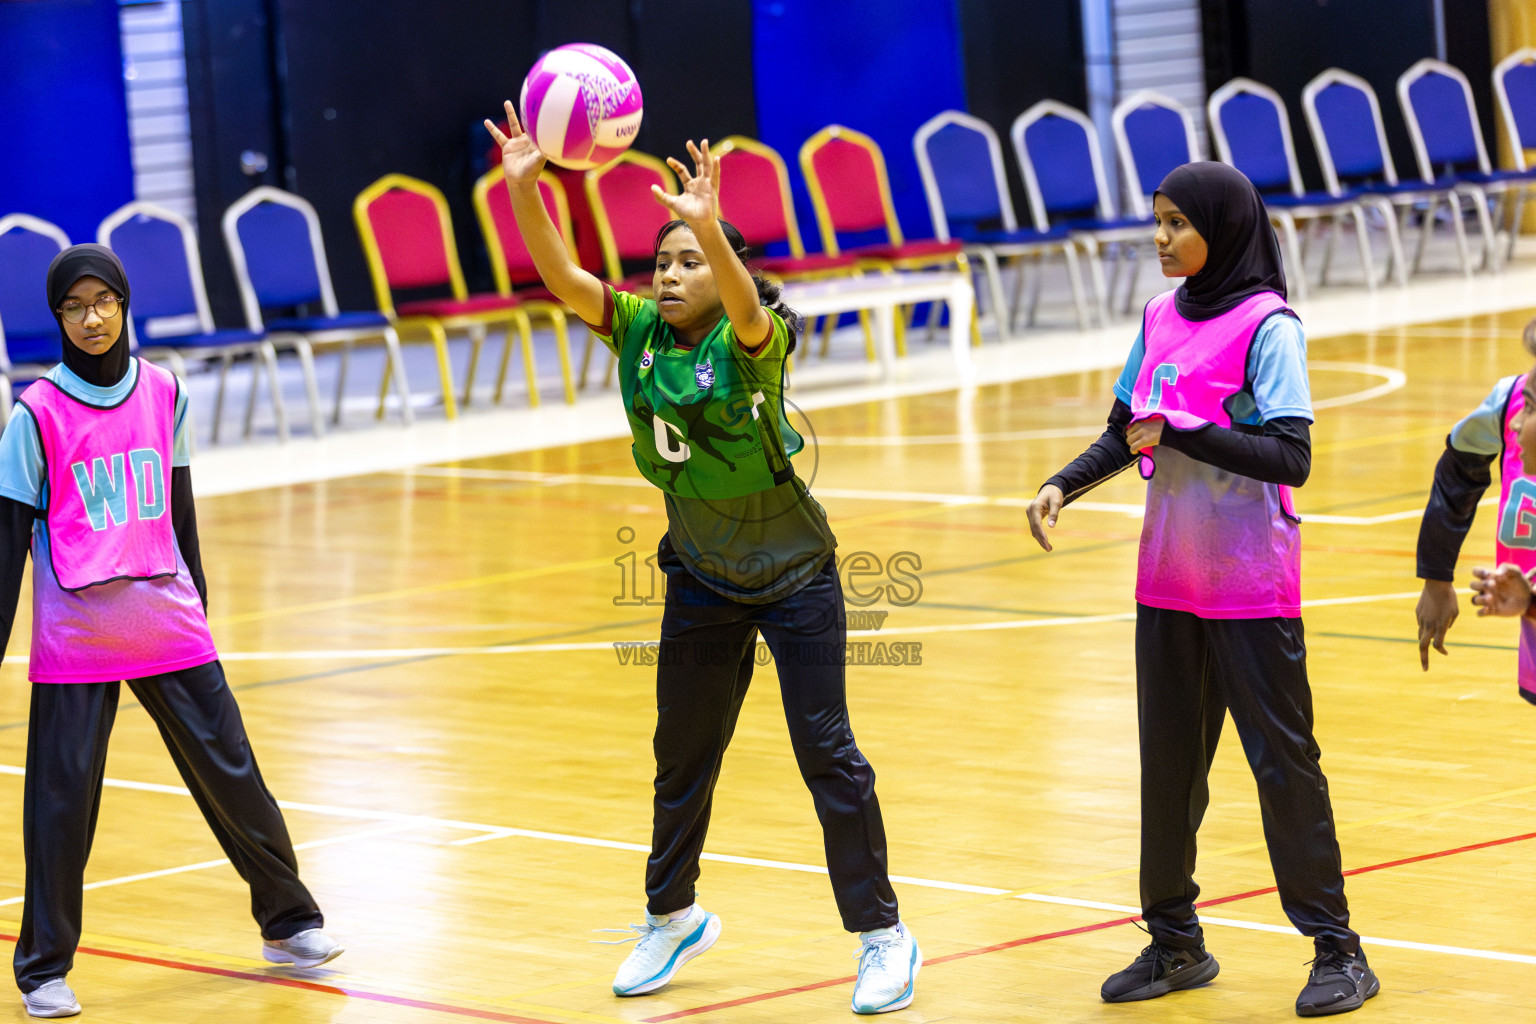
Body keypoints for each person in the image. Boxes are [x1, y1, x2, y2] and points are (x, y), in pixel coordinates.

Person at [485, 103, 916, 1015]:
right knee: (680, 754)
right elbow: (562, 275)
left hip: (797, 578)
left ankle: (884, 936)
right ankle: (672, 915)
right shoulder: (639, 333)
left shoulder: (753, 346)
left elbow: (752, 308)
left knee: (827, 753)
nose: (672, 275)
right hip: (703, 577)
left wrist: (710, 229)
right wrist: (528, 190)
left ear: (726, 275)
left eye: (692, 262)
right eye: (663, 263)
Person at [1025, 163, 1378, 1017]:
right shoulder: (1156, 315)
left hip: (1252, 583)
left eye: (1178, 223)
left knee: (1282, 763)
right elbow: (1128, 429)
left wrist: (1194, 430)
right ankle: (1175, 942)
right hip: (1168, 577)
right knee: (1169, 766)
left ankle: (1339, 949)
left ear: (1222, 228)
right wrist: (1063, 484)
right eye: (1157, 220)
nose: (1161, 237)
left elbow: (1290, 455)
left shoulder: (1270, 326)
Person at [0, 245, 341, 1019]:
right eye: (74, 307)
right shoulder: (34, 414)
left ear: (124, 303)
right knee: (60, 808)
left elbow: (180, 509)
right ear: (57, 318)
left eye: (103, 302)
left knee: (235, 779)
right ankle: (43, 969)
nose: (91, 319)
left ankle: (288, 923)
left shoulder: (163, 390)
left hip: (168, 622)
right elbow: (5, 545)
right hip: (78, 638)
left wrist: (201, 601)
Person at [1416, 320, 1536, 701]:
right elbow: (1458, 472)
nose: (1518, 421)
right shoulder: (1511, 400)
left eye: (1530, 409)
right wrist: (1436, 578)